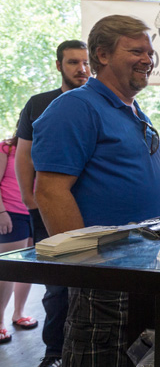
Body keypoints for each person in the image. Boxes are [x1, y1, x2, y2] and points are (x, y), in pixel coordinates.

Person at [32, 15, 160, 366]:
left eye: (150, 52)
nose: (148, 59)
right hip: (104, 279)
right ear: (102, 55)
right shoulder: (76, 107)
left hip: (144, 271)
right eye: (136, 50)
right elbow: (50, 191)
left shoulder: (133, 110)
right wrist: (88, 269)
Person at [15, 39, 89, 367]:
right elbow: (24, 153)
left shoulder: (98, 103)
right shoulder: (39, 103)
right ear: (59, 65)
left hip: (89, 210)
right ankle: (54, 353)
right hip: (47, 210)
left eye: (85, 62)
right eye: (73, 62)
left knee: (92, 286)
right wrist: (31, 201)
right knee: (57, 288)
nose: (81, 69)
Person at [0, 132, 37, 345]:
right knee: (8, 268)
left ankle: (19, 313)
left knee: (28, 267)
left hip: (35, 213)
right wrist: (1, 213)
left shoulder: (45, 149)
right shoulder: (6, 147)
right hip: (11, 213)